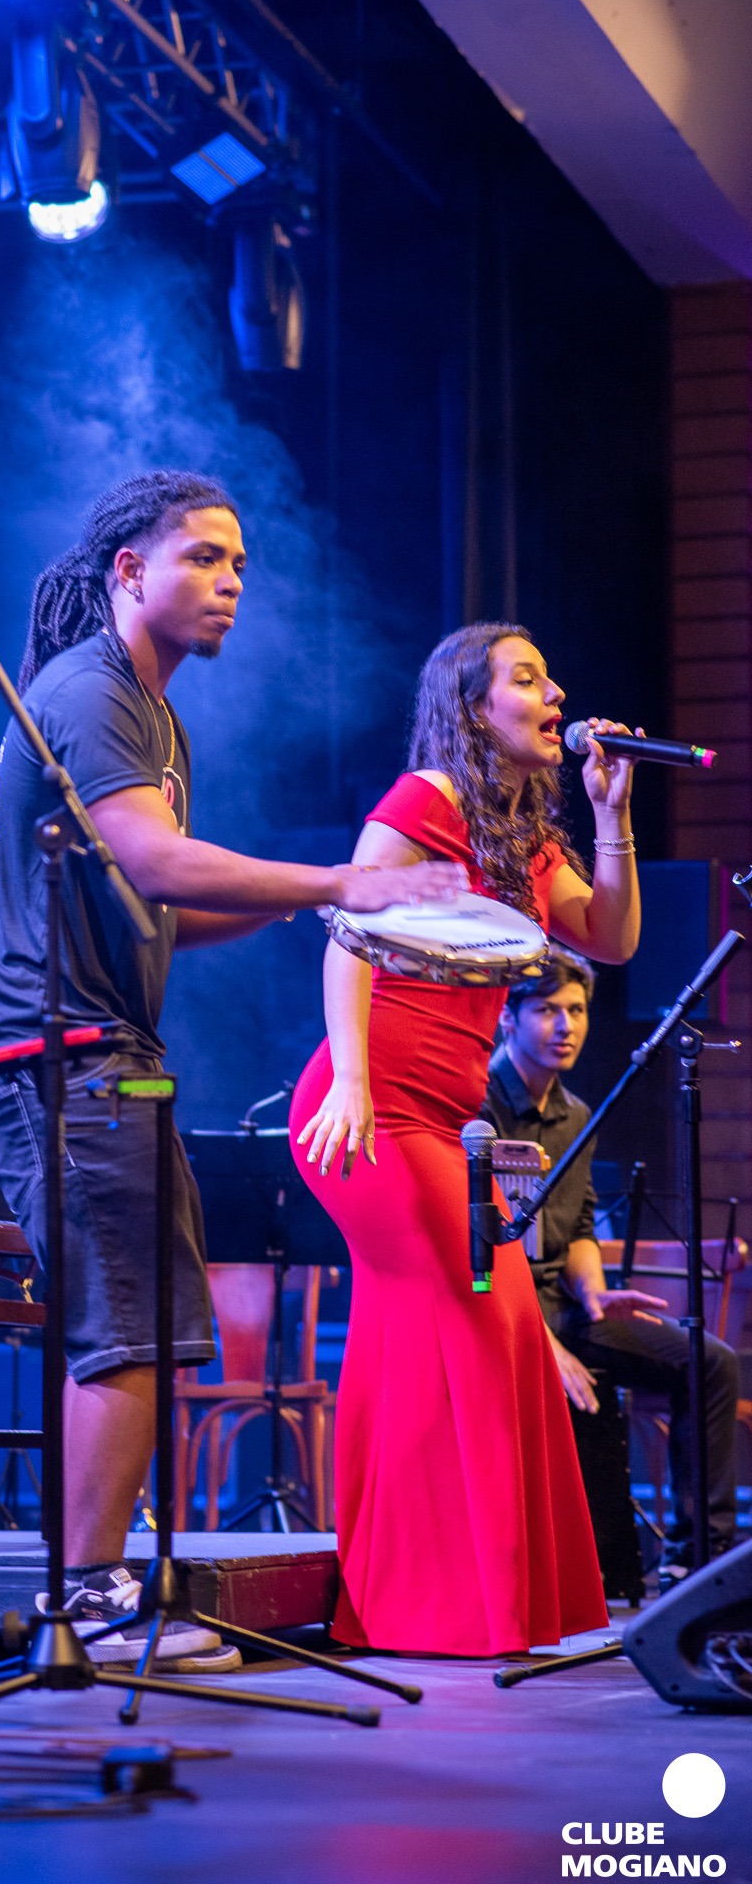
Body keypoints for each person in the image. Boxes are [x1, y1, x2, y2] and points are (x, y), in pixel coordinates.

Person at [0, 470, 466, 1667]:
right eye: (204, 557)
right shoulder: (90, 690)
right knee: (126, 1320)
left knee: (151, 1313)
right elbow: (158, 862)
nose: (231, 581)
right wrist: (343, 879)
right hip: (50, 1044)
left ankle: (100, 1578)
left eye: (239, 562)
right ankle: (90, 1595)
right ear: (130, 570)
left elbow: (163, 909)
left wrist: (323, 908)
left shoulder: (154, 717)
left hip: (107, 1045)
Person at [290, 623, 643, 1657]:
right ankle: (452, 1603)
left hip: (441, 1122)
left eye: (550, 675)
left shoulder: (526, 836)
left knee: (435, 1338)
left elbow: (612, 936)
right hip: (367, 1107)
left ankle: (420, 1599)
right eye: (527, 678)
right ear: (472, 706)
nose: (554, 692)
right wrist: (352, 1076)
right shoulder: (429, 799)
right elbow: (349, 929)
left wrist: (611, 812)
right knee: (490, 1321)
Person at [482, 948, 741, 1590]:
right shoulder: (478, 1108)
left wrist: (595, 1293)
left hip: (559, 1306)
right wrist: (541, 1345)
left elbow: (577, 1226)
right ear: (509, 1018)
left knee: (709, 1362)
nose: (565, 1026)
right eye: (547, 1010)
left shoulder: (576, 1114)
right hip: (494, 1311)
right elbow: (476, 1249)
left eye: (576, 1011)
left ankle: (696, 1559)